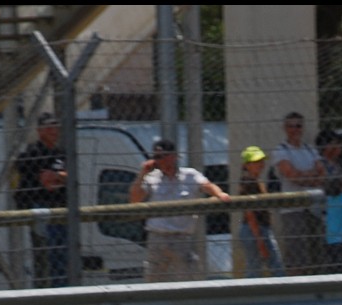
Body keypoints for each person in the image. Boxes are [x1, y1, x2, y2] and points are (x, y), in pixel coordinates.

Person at [129, 138, 230, 283]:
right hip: (157, 237)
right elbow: (134, 199)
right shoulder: (151, 178)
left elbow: (208, 185)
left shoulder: (190, 175)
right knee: (153, 281)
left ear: (173, 156)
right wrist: (142, 174)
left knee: (188, 280)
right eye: (156, 157)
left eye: (161, 156)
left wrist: (219, 194)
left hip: (181, 238)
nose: (158, 161)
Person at [13, 112, 69, 287]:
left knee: (62, 255)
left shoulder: (61, 152)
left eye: (56, 126)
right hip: (42, 208)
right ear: (40, 131)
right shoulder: (34, 153)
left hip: (61, 209)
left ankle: (63, 291)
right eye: (49, 127)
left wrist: (58, 176)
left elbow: (69, 177)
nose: (54, 130)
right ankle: (47, 290)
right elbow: (46, 181)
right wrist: (59, 177)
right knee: (47, 255)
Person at [272, 112, 328, 275]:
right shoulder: (280, 150)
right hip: (293, 209)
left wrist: (304, 176)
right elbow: (291, 175)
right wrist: (311, 176)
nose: (295, 129)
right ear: (285, 128)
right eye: (291, 126)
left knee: (316, 251)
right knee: (297, 254)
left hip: (314, 207)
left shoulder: (310, 149)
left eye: (298, 126)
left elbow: (322, 174)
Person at [236, 145, 286, 278]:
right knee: (264, 267)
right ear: (247, 164)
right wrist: (259, 240)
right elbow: (249, 213)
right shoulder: (248, 182)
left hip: (259, 228)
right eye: (256, 161)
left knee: (259, 267)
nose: (260, 164)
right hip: (254, 229)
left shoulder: (255, 181)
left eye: (261, 161)